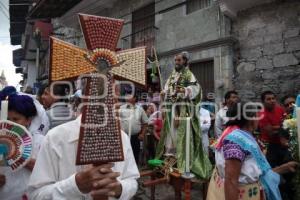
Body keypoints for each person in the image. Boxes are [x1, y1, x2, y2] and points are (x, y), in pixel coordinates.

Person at [28, 115, 139, 200]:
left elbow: (132, 181)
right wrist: (74, 185)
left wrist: (119, 189)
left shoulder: (122, 137)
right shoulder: (55, 138)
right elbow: (36, 195)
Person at [207, 102, 298, 200]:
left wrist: (284, 168)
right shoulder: (235, 141)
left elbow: (254, 172)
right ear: (251, 119)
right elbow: (231, 180)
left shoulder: (243, 137)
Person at [156, 51, 211, 179]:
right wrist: (164, 93)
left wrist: (185, 90)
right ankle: (170, 161)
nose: (176, 62)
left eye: (179, 60)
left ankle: (184, 163)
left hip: (183, 110)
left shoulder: (189, 75)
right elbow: (166, 90)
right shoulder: (172, 76)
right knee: (170, 136)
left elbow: (197, 91)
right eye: (175, 60)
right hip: (170, 111)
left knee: (181, 136)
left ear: (185, 61)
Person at [0, 93, 44, 200]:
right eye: (8, 119)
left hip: (31, 194)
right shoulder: (1, 138)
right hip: (5, 194)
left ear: (29, 120)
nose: (11, 124)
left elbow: (46, 170)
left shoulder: (41, 141)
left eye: (16, 119)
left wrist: (18, 156)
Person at [119, 90, 149, 164]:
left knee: (135, 154)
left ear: (134, 98)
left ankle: (134, 173)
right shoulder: (121, 108)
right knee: (124, 154)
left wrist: (142, 134)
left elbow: (145, 123)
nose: (127, 98)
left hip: (136, 137)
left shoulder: (140, 109)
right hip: (124, 137)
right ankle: (125, 172)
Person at [258, 91, 285, 167]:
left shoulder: (280, 109)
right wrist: (282, 126)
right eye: (268, 99)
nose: (272, 101)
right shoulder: (262, 114)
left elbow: (286, 121)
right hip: (269, 146)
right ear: (263, 102)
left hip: (281, 144)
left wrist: (275, 127)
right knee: (272, 168)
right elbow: (271, 133)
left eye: (273, 98)